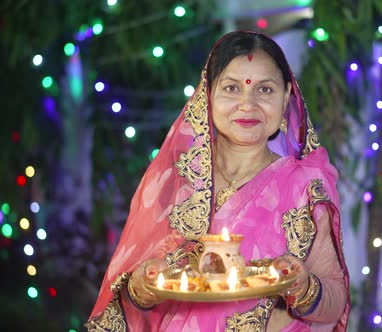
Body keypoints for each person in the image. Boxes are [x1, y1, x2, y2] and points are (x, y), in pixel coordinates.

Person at [86, 31, 350, 332]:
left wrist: (303, 287)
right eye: (231, 88)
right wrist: (142, 287)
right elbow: (131, 297)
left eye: (265, 90)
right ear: (207, 95)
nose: (247, 104)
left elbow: (334, 300)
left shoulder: (305, 186)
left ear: (286, 97)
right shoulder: (177, 181)